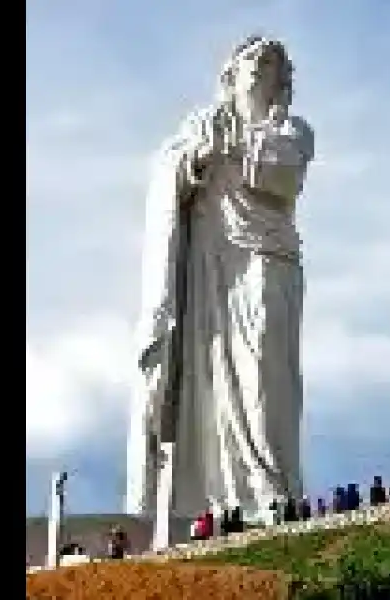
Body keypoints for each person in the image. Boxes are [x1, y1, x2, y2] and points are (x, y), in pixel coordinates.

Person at [127, 35, 315, 522]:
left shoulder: (292, 130)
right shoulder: (200, 126)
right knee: (211, 381)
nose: (263, 67)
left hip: (266, 258)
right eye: (254, 59)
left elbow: (284, 174)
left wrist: (228, 145)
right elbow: (170, 171)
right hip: (211, 265)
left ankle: (273, 488)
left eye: (272, 62)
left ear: (283, 79)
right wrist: (194, 160)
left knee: (262, 377)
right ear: (230, 75)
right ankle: (221, 501)